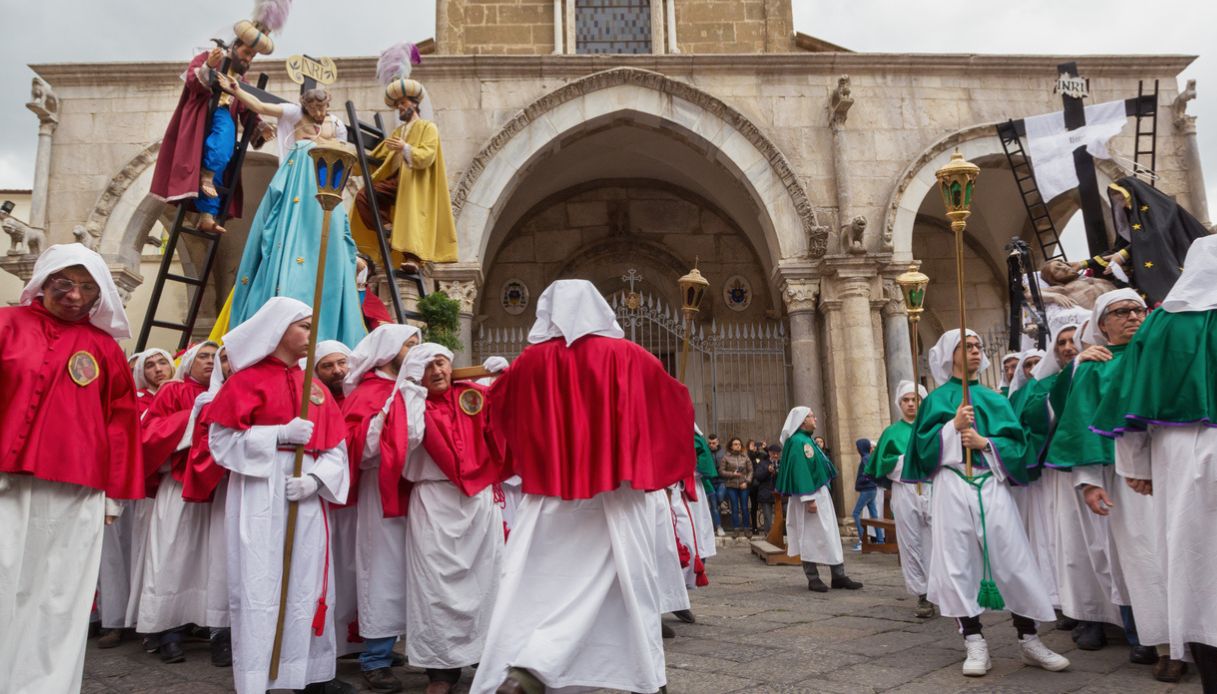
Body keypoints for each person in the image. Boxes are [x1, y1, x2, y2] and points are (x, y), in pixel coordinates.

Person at [469, 279, 695, 694]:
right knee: (628, 587)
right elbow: (674, 407)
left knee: (548, 588)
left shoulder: (530, 362)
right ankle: (633, 674)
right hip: (617, 498)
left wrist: (504, 384)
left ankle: (533, 666)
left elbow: (494, 421)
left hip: (550, 499)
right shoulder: (631, 356)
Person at [0, 243, 143, 694]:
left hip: (77, 492)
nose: (75, 296)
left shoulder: (104, 348)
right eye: (64, 283)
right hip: (7, 483)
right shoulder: (6, 325)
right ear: (43, 282)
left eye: (87, 288)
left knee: (57, 598)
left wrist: (114, 497)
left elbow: (120, 424)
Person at [205, 297, 353, 694]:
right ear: (279, 329)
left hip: (305, 495)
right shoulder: (246, 381)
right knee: (260, 580)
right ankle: (259, 676)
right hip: (260, 490)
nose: (311, 334)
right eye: (303, 326)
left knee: (306, 582)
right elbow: (220, 442)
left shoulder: (316, 388)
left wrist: (318, 480)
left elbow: (337, 449)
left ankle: (304, 673)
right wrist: (278, 435)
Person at [902, 329, 1069, 677]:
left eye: (978, 346)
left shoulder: (994, 399)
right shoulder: (936, 400)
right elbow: (921, 450)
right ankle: (974, 639)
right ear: (951, 353)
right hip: (951, 484)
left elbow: (1017, 445)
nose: (976, 351)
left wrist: (983, 442)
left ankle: (1029, 638)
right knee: (957, 562)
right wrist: (952, 426)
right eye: (968, 346)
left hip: (989, 482)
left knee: (1013, 557)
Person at [1091, 235, 1217, 688]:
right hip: (1186, 449)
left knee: (1192, 560)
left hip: (1179, 455)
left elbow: (1130, 401)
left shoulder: (1162, 324)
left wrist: (1136, 468)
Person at [1044, 288, 1173, 670]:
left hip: (1175, 470)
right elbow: (1080, 424)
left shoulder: (1162, 357)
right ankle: (1165, 646)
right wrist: (1088, 480)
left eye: (1138, 309)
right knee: (1144, 558)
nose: (1133, 317)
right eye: (1121, 312)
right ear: (1102, 325)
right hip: (1128, 481)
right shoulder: (1095, 366)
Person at [377, 344, 509, 693]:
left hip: (478, 500)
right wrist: (410, 392)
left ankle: (487, 656)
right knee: (434, 587)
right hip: (434, 501)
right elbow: (407, 438)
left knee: (488, 581)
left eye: (442, 363)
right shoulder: (406, 401)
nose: (436, 371)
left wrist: (507, 379)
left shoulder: (474, 395)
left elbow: (515, 417)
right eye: (427, 366)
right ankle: (440, 669)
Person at [213, 79, 366, 347]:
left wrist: (320, 140)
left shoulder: (337, 124)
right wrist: (236, 90)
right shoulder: (295, 114)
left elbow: (346, 154)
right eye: (313, 107)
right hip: (298, 179)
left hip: (325, 184)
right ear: (306, 105)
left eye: (322, 107)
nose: (318, 112)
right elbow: (261, 106)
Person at [329, 324, 419, 690]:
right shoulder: (369, 393)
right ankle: (375, 656)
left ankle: (411, 643)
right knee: (382, 571)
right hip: (380, 494)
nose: (415, 351)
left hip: (421, 493)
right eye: (408, 345)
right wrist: (387, 418)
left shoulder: (416, 386)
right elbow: (355, 449)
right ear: (388, 352)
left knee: (418, 570)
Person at [148, 13, 280, 233]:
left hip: (222, 121)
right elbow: (193, 79)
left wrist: (261, 128)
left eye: (252, 56)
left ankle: (207, 215)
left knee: (221, 162)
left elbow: (248, 111)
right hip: (204, 119)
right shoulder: (208, 58)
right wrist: (209, 66)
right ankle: (206, 177)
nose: (248, 59)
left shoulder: (241, 81)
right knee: (222, 143)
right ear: (234, 46)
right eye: (246, 52)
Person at [137, 342, 226, 665]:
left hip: (215, 491)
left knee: (208, 562)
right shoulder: (173, 391)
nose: (210, 362)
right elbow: (148, 436)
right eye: (203, 356)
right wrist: (194, 419)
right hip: (178, 486)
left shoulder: (228, 391)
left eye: (216, 357)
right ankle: (166, 631)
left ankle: (205, 625)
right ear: (188, 362)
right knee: (170, 559)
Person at [353, 43, 455, 271]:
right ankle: (387, 227)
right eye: (398, 104)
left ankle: (413, 259)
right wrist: (353, 163)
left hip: (415, 182)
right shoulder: (398, 132)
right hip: (396, 180)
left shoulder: (428, 128)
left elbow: (426, 156)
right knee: (363, 195)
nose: (400, 107)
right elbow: (378, 156)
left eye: (403, 103)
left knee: (413, 216)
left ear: (415, 104)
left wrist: (405, 148)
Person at [866, 380, 934, 618]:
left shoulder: (932, 428)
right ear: (899, 403)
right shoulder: (891, 433)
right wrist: (906, 460)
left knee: (937, 539)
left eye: (915, 399)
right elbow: (882, 464)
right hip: (905, 490)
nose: (911, 404)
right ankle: (923, 595)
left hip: (932, 488)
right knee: (911, 542)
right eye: (905, 400)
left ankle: (942, 588)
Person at [776, 407, 862, 593]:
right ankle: (813, 578)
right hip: (809, 498)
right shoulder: (799, 442)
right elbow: (801, 472)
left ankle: (838, 575)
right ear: (801, 420)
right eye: (810, 416)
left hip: (819, 495)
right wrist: (809, 499)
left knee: (830, 535)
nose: (815, 419)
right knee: (809, 537)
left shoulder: (806, 440)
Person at [850, 439, 884, 550]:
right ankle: (880, 541)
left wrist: (862, 481)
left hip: (867, 489)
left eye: (858, 447)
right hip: (872, 489)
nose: (857, 449)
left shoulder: (865, 458)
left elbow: (867, 474)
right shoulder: (869, 457)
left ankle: (862, 541)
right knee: (874, 516)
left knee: (856, 513)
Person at [717, 437, 752, 535]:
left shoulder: (745, 457)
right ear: (731, 446)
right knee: (734, 508)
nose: (738, 446)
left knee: (745, 508)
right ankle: (736, 528)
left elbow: (750, 471)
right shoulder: (726, 457)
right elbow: (721, 471)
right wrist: (733, 474)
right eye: (735, 444)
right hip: (731, 486)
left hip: (743, 486)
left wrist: (747, 481)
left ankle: (746, 528)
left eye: (739, 444)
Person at [132, 348, 175, 417]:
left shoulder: (183, 394)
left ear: (171, 367)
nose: (158, 369)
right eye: (150, 366)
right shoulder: (136, 401)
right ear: (143, 374)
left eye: (163, 363)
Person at [753, 444, 780, 533]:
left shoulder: (781, 463)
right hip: (765, 493)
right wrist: (767, 471)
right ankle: (768, 535)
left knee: (780, 516)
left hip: (779, 494)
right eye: (773, 453)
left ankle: (779, 534)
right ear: (769, 453)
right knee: (767, 517)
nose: (775, 455)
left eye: (777, 453)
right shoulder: (762, 463)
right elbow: (758, 476)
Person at [706, 433, 727, 536]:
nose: (711, 445)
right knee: (714, 506)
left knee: (719, 497)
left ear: (717, 442)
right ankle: (718, 527)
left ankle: (724, 504)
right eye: (709, 443)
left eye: (713, 443)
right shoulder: (706, 452)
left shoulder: (723, 453)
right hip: (710, 481)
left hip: (722, 480)